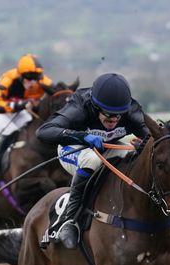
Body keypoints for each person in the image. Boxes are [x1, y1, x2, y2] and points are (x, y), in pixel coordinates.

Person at [36, 73, 150, 249]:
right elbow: (44, 131)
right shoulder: (80, 106)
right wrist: (81, 136)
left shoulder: (131, 110)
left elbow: (154, 136)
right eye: (108, 114)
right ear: (95, 107)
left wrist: (144, 145)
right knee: (92, 160)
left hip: (109, 149)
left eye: (118, 115)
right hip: (73, 149)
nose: (113, 120)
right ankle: (68, 220)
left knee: (132, 160)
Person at [0, 53, 53, 191]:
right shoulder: (8, 79)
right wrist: (18, 105)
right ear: (20, 76)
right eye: (29, 79)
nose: (33, 83)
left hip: (19, 111)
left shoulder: (44, 81)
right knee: (10, 131)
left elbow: (55, 94)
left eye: (36, 78)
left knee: (33, 125)